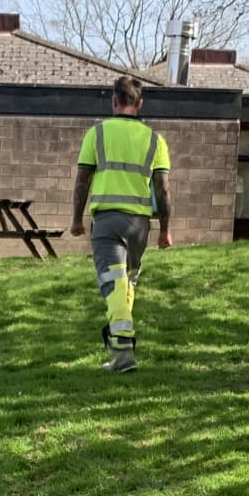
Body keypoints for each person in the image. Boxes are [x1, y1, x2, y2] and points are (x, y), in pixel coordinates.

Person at [70, 76, 174, 373]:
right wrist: (164, 229)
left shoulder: (97, 134)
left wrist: (77, 220)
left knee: (113, 285)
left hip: (107, 222)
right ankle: (121, 346)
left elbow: (82, 180)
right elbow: (163, 190)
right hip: (140, 225)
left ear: (114, 101)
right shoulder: (156, 140)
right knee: (127, 283)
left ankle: (122, 352)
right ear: (140, 104)